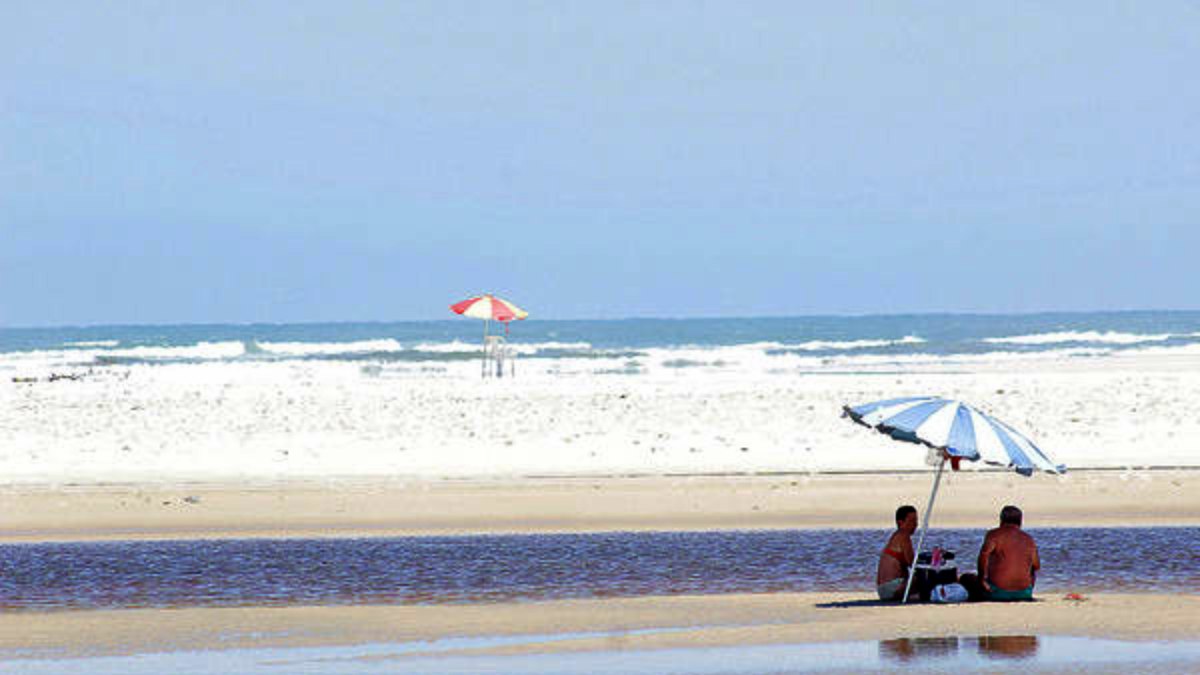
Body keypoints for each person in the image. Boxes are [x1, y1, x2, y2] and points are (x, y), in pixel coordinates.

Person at [963, 505, 1040, 601]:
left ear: (1001, 520)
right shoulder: (1029, 539)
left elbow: (983, 556)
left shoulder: (993, 534)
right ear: (1020, 521)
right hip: (1025, 593)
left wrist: (982, 579)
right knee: (1031, 569)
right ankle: (1025, 590)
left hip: (997, 592)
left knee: (966, 578)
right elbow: (1036, 566)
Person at [876, 505, 917, 601]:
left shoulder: (895, 536)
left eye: (916, 521)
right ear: (900, 522)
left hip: (882, 589)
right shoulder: (903, 535)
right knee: (924, 578)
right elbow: (913, 564)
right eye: (912, 521)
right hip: (892, 588)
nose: (915, 525)